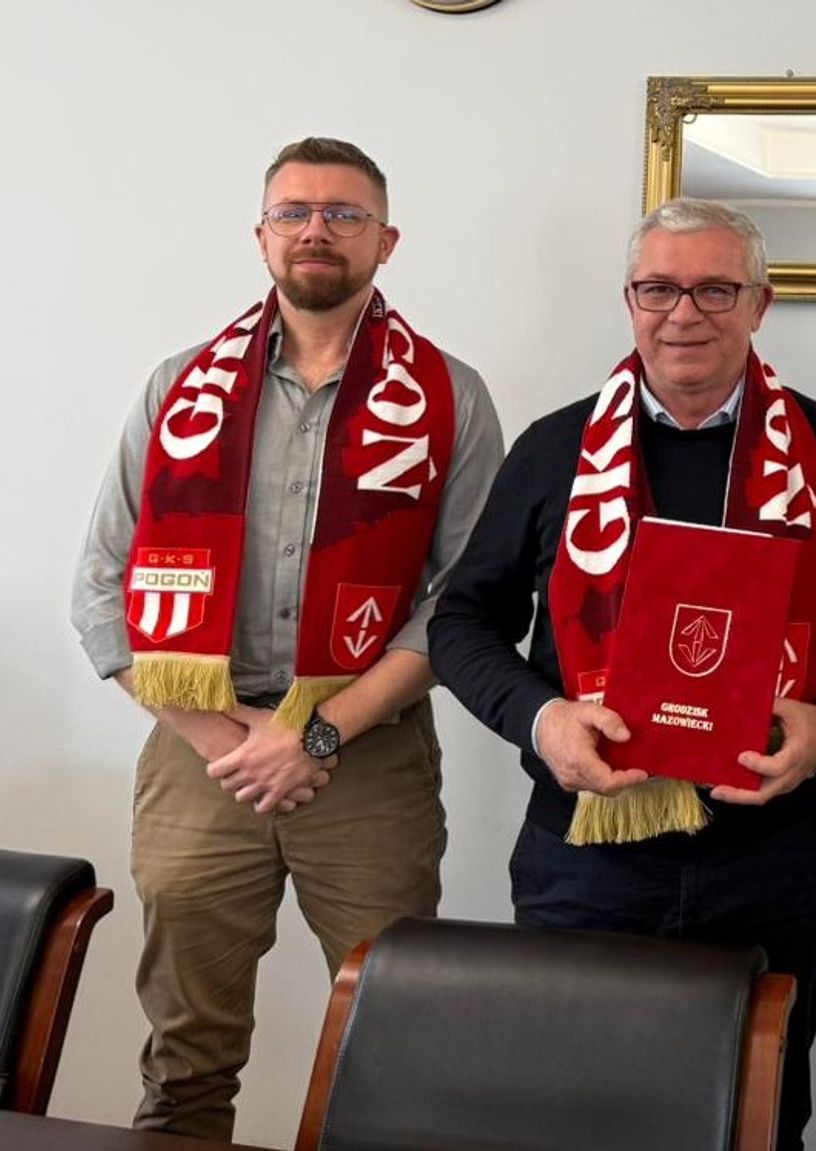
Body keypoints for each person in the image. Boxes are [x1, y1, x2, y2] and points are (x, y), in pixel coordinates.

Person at [429, 197, 816, 1151]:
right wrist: (541, 720)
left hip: (766, 856)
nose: (683, 313)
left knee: (761, 1117)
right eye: (659, 288)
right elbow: (461, 621)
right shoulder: (554, 448)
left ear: (760, 303)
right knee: (572, 1120)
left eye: (713, 288)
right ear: (629, 299)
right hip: (585, 854)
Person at [70, 137, 503, 1139]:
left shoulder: (449, 396)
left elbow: (467, 597)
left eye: (344, 214)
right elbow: (103, 582)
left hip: (367, 751)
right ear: (261, 234)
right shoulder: (178, 387)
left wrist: (312, 736)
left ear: (385, 241)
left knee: (400, 1038)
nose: (318, 229)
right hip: (200, 749)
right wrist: (232, 742)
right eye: (295, 211)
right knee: (185, 1053)